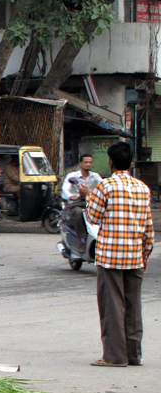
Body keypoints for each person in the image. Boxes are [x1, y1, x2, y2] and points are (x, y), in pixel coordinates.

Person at [82, 142, 153, 368]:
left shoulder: (106, 186)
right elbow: (148, 227)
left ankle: (114, 356)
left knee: (112, 306)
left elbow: (93, 217)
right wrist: (146, 254)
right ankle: (133, 354)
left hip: (111, 255)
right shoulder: (143, 188)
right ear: (130, 162)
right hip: (135, 255)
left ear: (111, 163)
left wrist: (87, 196)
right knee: (133, 306)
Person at [61, 154, 103, 252]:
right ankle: (80, 241)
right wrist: (71, 196)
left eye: (90, 162)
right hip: (76, 204)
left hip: (91, 203)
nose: (88, 164)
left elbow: (102, 186)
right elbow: (65, 189)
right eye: (86, 162)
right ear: (80, 164)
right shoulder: (72, 176)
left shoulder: (95, 176)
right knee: (79, 212)